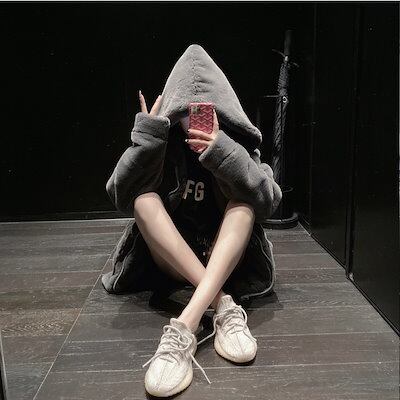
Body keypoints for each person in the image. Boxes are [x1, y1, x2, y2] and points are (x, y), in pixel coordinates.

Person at [102, 44, 282, 397]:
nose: (193, 118)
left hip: (223, 259)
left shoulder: (235, 144)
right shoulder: (163, 143)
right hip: (173, 259)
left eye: (202, 110)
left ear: (220, 111)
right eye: (185, 110)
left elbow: (267, 202)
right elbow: (121, 197)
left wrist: (223, 150)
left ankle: (185, 325)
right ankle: (223, 306)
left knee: (244, 207)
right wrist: (147, 139)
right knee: (143, 201)